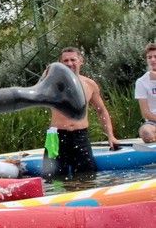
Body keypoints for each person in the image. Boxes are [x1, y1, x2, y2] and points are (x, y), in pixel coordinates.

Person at [43, 46, 121, 178]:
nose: (69, 63)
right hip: (55, 137)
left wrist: (110, 135)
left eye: (73, 60)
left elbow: (101, 110)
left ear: (80, 61)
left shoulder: (89, 84)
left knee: (87, 177)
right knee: (52, 179)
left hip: (80, 136)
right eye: (65, 61)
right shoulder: (52, 82)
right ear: (60, 64)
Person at [135, 42, 156, 145]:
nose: (152, 60)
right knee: (145, 132)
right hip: (153, 122)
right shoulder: (141, 82)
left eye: (155, 57)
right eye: (149, 57)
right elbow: (145, 113)